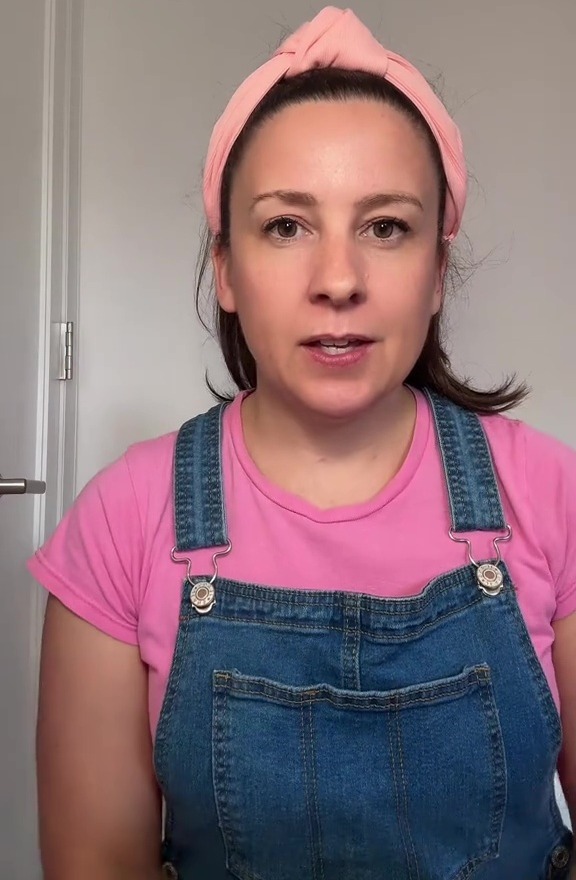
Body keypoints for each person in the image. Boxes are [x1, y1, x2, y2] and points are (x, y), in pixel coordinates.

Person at [29, 6, 576, 880]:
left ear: (439, 271)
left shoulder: (552, 495)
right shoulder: (123, 520)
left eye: (385, 227)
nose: (337, 281)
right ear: (227, 269)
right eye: (287, 225)